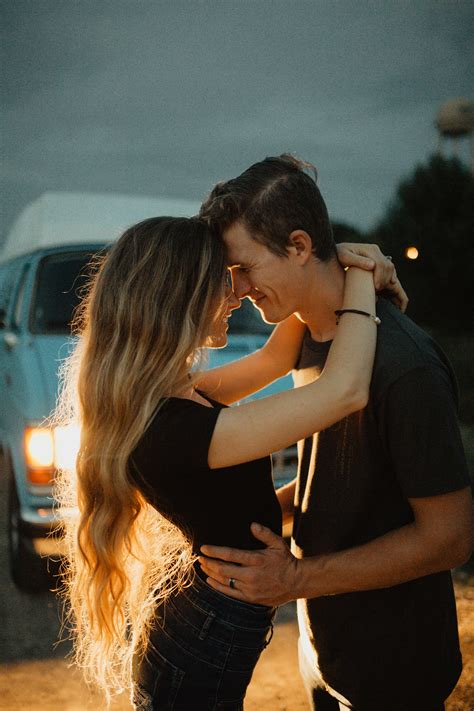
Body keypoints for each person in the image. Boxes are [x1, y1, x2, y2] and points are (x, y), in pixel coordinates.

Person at [55, 215, 400, 710]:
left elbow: (274, 359)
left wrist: (326, 262)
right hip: (202, 635)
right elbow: (344, 391)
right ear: (180, 298)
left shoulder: (159, 396)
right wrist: (364, 278)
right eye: (223, 279)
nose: (238, 292)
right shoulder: (172, 430)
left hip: (199, 622)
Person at [198, 155, 474, 711]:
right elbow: (339, 478)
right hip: (325, 649)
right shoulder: (304, 333)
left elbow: (451, 537)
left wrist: (293, 579)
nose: (240, 288)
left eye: (245, 267)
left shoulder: (405, 366)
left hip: (396, 667)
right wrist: (256, 517)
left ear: (299, 246)